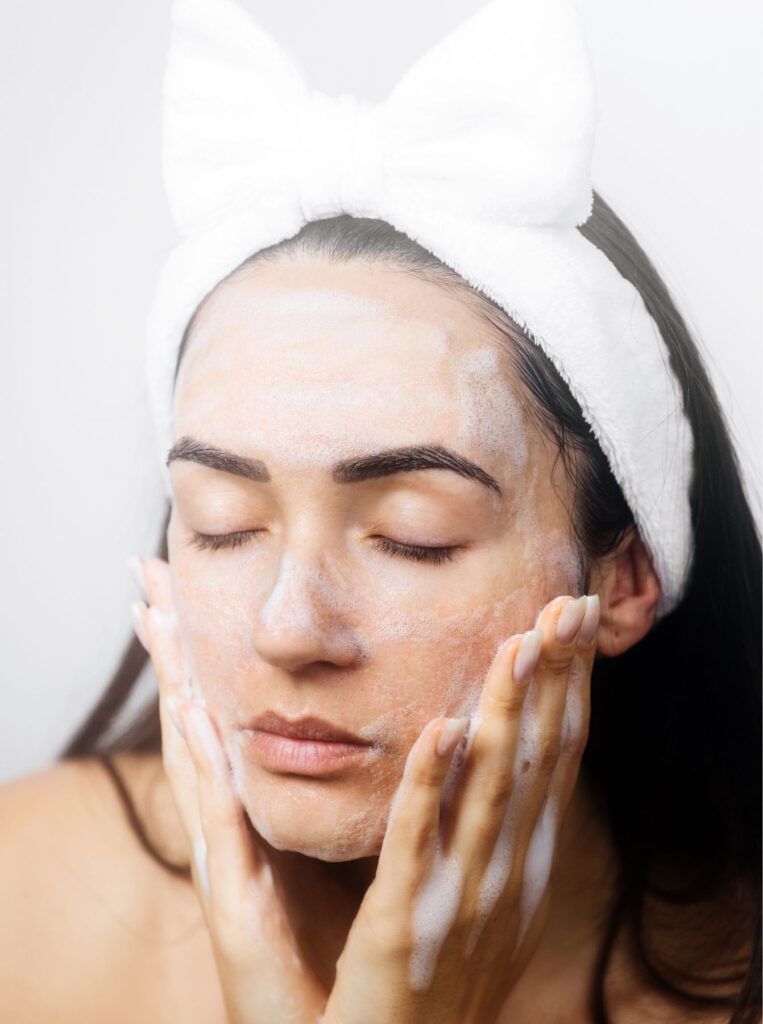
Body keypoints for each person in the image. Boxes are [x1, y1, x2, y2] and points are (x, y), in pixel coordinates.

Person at [1, 1, 759, 1022]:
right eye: (222, 520)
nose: (288, 627)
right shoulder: (29, 896)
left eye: (412, 534)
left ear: (623, 574)